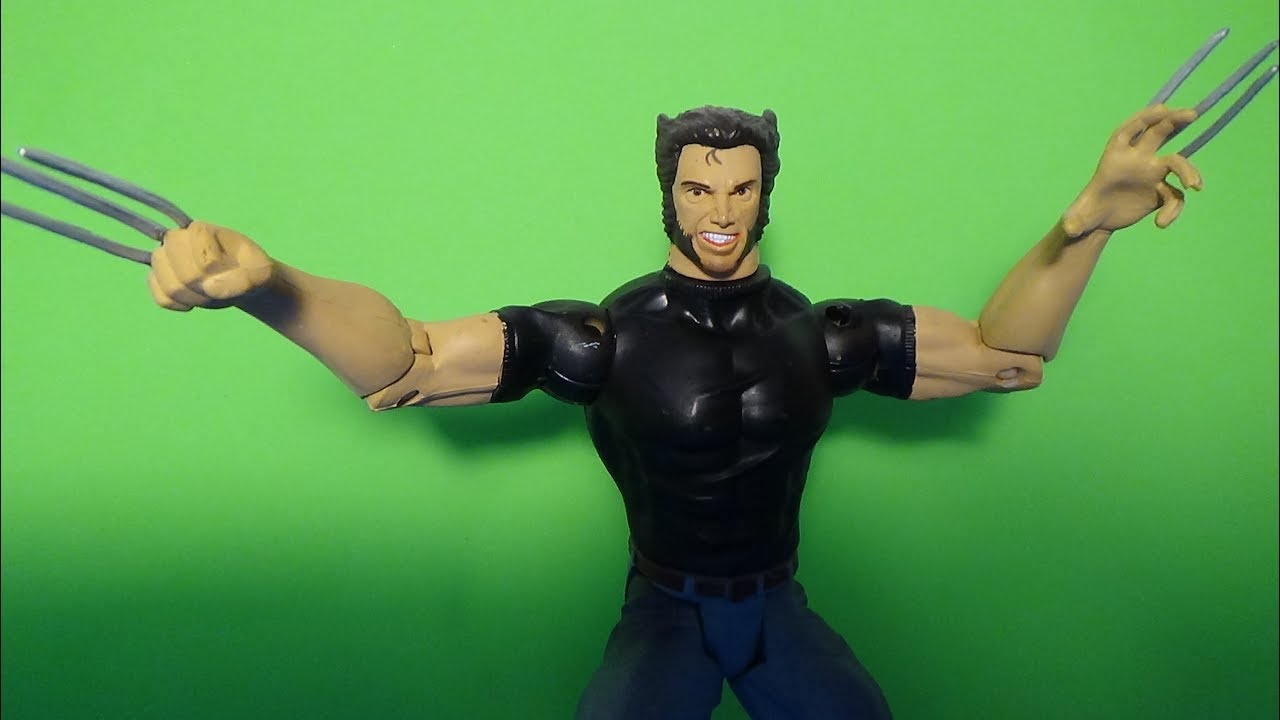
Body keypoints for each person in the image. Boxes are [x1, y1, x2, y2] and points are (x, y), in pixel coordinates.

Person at [1, 31, 1272, 720]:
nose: (718, 211)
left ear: (765, 193)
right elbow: (412, 359)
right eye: (697, 188)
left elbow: (1004, 353)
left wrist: (1084, 225)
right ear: (666, 190)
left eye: (739, 189)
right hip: (661, 610)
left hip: (776, 606)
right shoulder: (600, 338)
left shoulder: (817, 334)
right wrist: (271, 285)